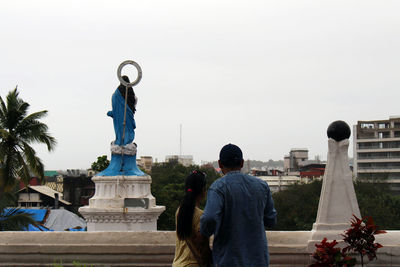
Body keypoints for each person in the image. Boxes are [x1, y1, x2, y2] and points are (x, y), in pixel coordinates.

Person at [200, 144, 277, 266]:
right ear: (241, 163)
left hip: (227, 260)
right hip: (258, 260)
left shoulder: (218, 188)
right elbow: (271, 220)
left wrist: (204, 233)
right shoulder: (261, 186)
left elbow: (209, 218)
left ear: (220, 164)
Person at [172, 170, 212, 267]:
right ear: (203, 191)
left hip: (178, 263)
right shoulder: (200, 216)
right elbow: (202, 246)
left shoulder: (180, 211)